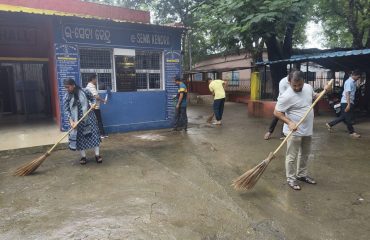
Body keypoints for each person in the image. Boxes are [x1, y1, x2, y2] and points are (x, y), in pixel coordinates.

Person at [274, 71, 330, 190]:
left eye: (300, 84)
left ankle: (301, 175)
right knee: (291, 157)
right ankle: (291, 179)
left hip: (307, 129)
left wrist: (325, 91)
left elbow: (315, 97)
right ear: (289, 82)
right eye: (294, 85)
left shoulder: (308, 87)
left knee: (305, 154)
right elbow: (277, 112)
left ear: (303, 81)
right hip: (293, 132)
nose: (297, 87)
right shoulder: (286, 95)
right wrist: (289, 122)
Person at [64, 78, 103, 165]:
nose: (67, 89)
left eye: (68, 87)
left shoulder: (85, 91)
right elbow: (66, 110)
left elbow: (93, 99)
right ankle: (83, 157)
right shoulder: (67, 96)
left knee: (94, 136)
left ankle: (97, 155)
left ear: (73, 85)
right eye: (65, 87)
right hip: (76, 121)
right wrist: (71, 122)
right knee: (80, 139)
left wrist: (93, 104)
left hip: (89, 118)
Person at [326, 70, 361, 138]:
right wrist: (348, 104)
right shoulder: (349, 82)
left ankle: (330, 124)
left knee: (344, 117)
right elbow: (347, 93)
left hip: (348, 102)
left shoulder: (353, 82)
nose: (358, 78)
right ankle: (352, 132)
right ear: (354, 75)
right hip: (346, 102)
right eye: (358, 77)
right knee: (348, 118)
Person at [264, 75, 290, 140]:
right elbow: (283, 95)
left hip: (291, 102)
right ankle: (269, 132)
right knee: (276, 116)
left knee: (288, 117)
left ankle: (284, 134)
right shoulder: (283, 82)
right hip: (282, 101)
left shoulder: (294, 81)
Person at [85, 74, 108, 139]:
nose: (96, 80)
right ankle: (102, 134)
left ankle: (101, 134)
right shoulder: (91, 86)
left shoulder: (88, 86)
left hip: (92, 107)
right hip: (94, 107)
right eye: (95, 79)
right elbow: (96, 97)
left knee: (95, 121)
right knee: (99, 120)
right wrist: (103, 100)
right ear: (92, 79)